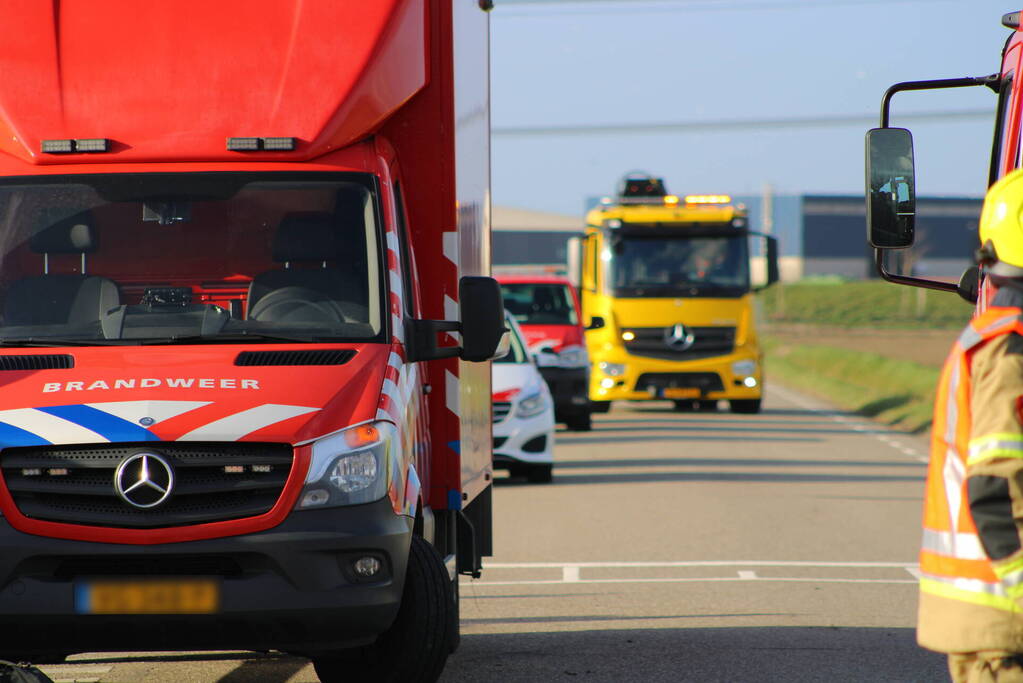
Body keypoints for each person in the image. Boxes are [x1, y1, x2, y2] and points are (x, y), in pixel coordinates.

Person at [920, 167, 1023, 682]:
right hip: (1005, 620)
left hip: (985, 612)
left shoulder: (990, 332)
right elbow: (994, 487)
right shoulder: (1011, 348)